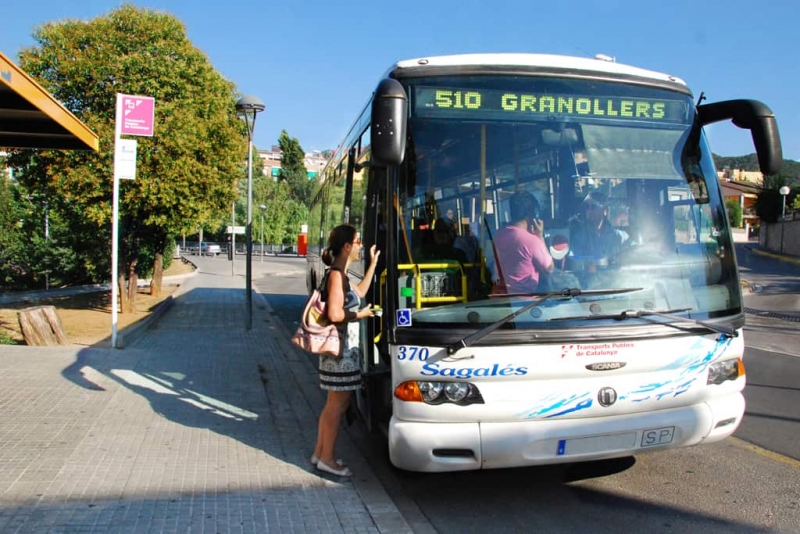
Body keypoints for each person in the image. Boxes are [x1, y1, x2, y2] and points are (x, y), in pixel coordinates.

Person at [312, 224, 379, 477]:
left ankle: (320, 454)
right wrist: (360, 314)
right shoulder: (336, 276)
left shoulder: (340, 273)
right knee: (337, 407)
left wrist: (372, 264)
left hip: (341, 352)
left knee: (332, 405)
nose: (360, 245)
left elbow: (359, 292)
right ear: (347, 246)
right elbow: (335, 314)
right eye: (358, 241)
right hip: (339, 351)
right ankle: (328, 459)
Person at [494, 191, 554, 294]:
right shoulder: (531, 240)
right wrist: (540, 237)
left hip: (501, 295)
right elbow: (549, 268)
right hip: (524, 300)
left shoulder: (499, 234)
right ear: (531, 213)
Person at [569, 191, 629, 264]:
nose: (589, 210)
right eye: (587, 207)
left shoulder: (620, 237)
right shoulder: (579, 237)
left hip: (616, 275)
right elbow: (574, 261)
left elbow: (638, 252)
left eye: (594, 206)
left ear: (605, 210)